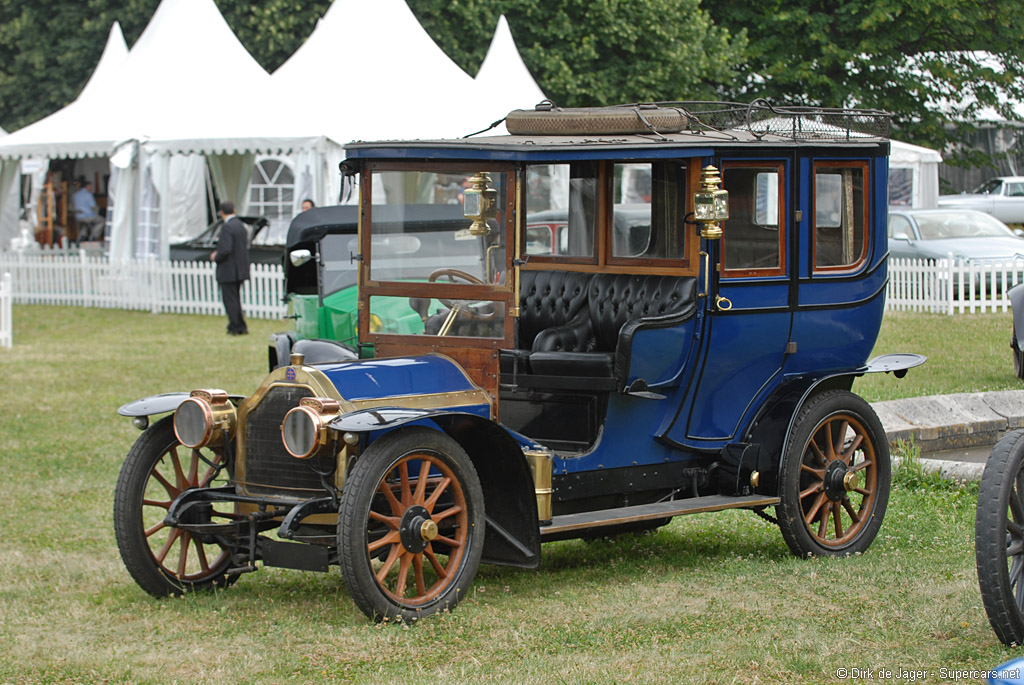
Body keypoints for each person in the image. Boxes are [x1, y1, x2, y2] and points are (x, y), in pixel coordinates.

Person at [210, 200, 250, 335]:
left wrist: (216, 256)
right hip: (239, 269)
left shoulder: (227, 227)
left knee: (230, 300)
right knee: (236, 299)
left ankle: (235, 326)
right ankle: (241, 325)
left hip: (229, 270)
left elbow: (226, 249)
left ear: (222, 213)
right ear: (234, 210)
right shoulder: (241, 226)